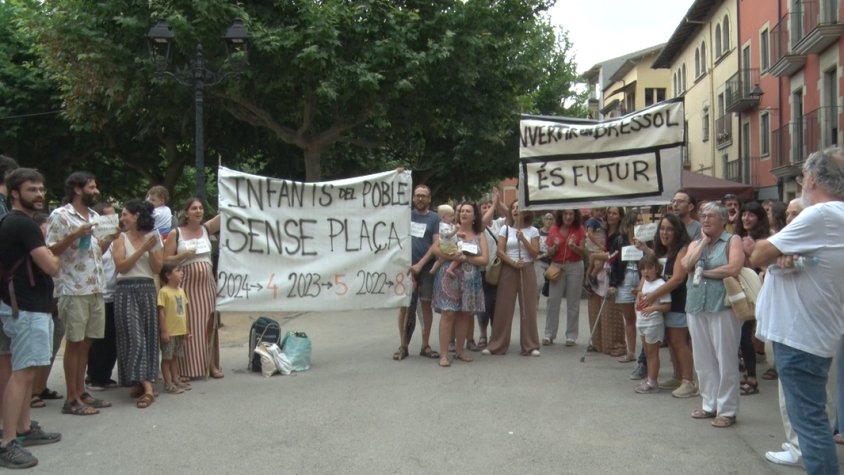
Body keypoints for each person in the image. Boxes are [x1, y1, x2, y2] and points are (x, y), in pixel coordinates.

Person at [752, 147, 844, 474]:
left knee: (810, 425)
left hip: (800, 337)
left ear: (813, 179)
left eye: (804, 176)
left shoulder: (820, 215)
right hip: (813, 332)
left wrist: (776, 251)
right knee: (813, 420)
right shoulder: (834, 217)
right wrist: (785, 255)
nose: (803, 183)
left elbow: (758, 253)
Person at [0, 168, 62, 468]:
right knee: (23, 374)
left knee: (23, 369)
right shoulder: (23, 224)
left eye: (41, 189)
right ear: (15, 193)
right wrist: (54, 256)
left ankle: (24, 428)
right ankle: (8, 441)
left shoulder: (11, 222)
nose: (39, 194)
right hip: (26, 308)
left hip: (20, 305)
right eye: (31, 190)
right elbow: (51, 266)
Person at [46, 171, 113, 415]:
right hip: (73, 288)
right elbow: (50, 249)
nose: (96, 191)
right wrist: (75, 234)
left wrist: (109, 239)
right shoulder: (60, 215)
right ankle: (71, 398)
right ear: (77, 189)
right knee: (74, 344)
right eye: (92, 187)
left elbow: (95, 252)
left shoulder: (94, 216)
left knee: (86, 344)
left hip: (95, 287)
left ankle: (81, 391)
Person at [682, 201, 744, 428]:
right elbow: (686, 265)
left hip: (722, 306)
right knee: (703, 359)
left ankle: (727, 409)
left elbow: (733, 268)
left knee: (725, 359)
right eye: (703, 216)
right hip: (696, 305)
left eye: (711, 216)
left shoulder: (732, 240)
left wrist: (703, 272)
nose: (705, 220)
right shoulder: (695, 243)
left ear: (723, 219)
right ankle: (709, 404)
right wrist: (703, 243)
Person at [162, 198, 222, 379]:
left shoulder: (206, 229)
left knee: (209, 325)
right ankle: (188, 368)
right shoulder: (176, 233)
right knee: (189, 325)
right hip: (186, 285)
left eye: (201, 208)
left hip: (207, 286)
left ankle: (211, 364)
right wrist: (183, 255)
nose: (198, 211)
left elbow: (224, 216)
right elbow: (165, 259)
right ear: (186, 213)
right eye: (194, 208)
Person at [112, 199, 163, 409]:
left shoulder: (153, 237)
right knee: (134, 337)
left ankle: (140, 381)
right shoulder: (120, 238)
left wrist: (150, 249)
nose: (122, 218)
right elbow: (122, 266)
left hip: (147, 288)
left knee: (148, 336)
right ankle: (148, 388)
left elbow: (157, 268)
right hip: (126, 289)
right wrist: (142, 249)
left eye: (125, 214)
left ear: (137, 216)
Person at [640, 214, 696, 398]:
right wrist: (641, 292)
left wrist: (654, 295)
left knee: (679, 341)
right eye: (662, 228)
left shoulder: (682, 249)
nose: (664, 232)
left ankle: (688, 381)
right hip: (662, 302)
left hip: (678, 301)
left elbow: (678, 278)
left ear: (677, 231)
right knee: (671, 341)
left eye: (669, 229)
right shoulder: (661, 250)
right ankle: (678, 376)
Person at [432, 201, 487, 367]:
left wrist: (467, 258)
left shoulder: (479, 235)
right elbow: (435, 249)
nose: (464, 213)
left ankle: (460, 351)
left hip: (470, 279)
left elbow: (485, 260)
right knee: (448, 313)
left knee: (464, 314)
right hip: (449, 278)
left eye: (468, 211)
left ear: (474, 216)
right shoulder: (449, 229)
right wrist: (452, 257)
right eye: (462, 211)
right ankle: (444, 355)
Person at [482, 200, 541, 356]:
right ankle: (497, 344)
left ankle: (530, 345)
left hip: (527, 268)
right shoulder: (505, 229)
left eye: (518, 208)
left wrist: (524, 240)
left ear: (525, 212)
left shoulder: (533, 231)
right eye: (513, 207)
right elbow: (500, 251)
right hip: (509, 268)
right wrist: (513, 263)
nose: (515, 210)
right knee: (503, 307)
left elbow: (535, 254)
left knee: (528, 307)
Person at [393, 185, 439, 361]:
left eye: (423, 196)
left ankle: (425, 345)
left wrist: (420, 264)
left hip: (426, 267)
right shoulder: (405, 215)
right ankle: (403, 345)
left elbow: (436, 244)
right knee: (404, 306)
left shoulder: (434, 218)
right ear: (413, 198)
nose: (420, 198)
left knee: (426, 305)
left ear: (429, 198)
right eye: (417, 195)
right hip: (405, 268)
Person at [734, 201, 770, 397]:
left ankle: (752, 379)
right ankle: (747, 374)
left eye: (751, 215)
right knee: (740, 336)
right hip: (738, 290)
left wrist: (749, 252)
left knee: (745, 336)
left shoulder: (765, 240)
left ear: (759, 218)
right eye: (744, 214)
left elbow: (763, 266)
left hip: (755, 291)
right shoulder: (737, 237)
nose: (746, 218)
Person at [85, 202, 119, 390]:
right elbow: (95, 255)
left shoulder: (116, 240)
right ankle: (94, 376)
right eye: (109, 217)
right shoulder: (93, 238)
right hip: (100, 294)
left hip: (115, 294)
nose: (114, 220)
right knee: (99, 339)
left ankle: (105, 375)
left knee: (112, 338)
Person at [586, 206, 627, 356]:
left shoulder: (621, 235)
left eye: (614, 213)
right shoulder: (602, 229)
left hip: (612, 273)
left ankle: (616, 345)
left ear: (620, 216)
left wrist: (596, 256)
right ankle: (598, 343)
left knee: (610, 311)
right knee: (594, 308)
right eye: (609, 213)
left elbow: (616, 254)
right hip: (598, 272)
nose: (610, 215)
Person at [543, 209, 585, 346]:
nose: (568, 216)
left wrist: (574, 247)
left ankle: (571, 336)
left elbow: (582, 252)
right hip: (557, 266)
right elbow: (549, 253)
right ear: (561, 215)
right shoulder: (554, 229)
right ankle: (549, 334)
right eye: (566, 214)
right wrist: (555, 246)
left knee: (573, 302)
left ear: (575, 215)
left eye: (571, 214)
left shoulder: (579, 229)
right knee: (553, 301)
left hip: (575, 265)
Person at [632, 255, 671, 394]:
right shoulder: (644, 283)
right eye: (643, 269)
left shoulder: (660, 284)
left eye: (649, 268)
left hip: (653, 323)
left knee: (653, 353)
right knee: (647, 353)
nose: (646, 271)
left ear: (657, 269)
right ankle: (650, 378)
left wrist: (653, 308)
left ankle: (653, 382)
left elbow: (667, 306)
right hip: (642, 322)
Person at [608, 209, 640, 363]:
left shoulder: (647, 240)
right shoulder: (619, 240)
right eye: (636, 222)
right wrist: (613, 283)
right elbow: (612, 262)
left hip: (642, 278)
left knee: (646, 317)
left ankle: (646, 355)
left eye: (640, 222)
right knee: (629, 318)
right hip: (625, 279)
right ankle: (631, 352)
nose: (639, 225)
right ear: (629, 224)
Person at [157, 262, 192, 394]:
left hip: (180, 331)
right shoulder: (163, 292)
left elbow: (185, 311)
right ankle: (168, 383)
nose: (181, 273)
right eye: (177, 270)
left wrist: (187, 329)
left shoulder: (181, 290)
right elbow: (161, 312)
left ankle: (176, 379)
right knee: (167, 358)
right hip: (170, 332)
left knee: (175, 357)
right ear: (168, 275)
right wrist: (164, 331)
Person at [430, 204, 460, 277]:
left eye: (453, 215)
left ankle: (433, 269)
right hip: (448, 246)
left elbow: (453, 233)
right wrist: (456, 230)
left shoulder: (449, 224)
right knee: (458, 257)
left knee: (442, 259)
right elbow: (449, 235)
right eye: (451, 216)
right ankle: (450, 269)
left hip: (446, 245)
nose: (453, 217)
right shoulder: (443, 226)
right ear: (443, 217)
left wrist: (458, 234)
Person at [584, 207, 607, 289]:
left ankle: (587, 282)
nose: (599, 212)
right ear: (592, 211)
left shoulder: (601, 221)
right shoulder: (592, 221)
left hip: (598, 247)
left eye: (601, 210)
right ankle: (591, 277)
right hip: (594, 247)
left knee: (592, 265)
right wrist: (599, 244)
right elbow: (590, 233)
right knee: (598, 265)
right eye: (597, 210)